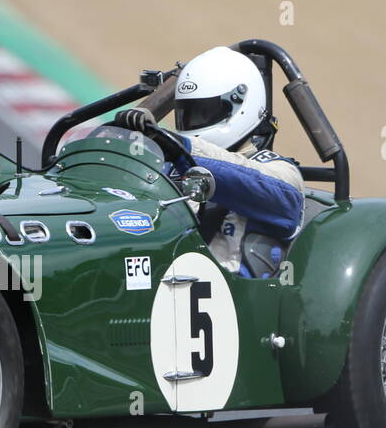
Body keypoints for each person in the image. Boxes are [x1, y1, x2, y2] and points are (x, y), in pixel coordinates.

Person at [114, 46, 305, 275]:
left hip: (235, 301)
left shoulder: (281, 173)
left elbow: (251, 181)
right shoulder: (173, 165)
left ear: (238, 102)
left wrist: (180, 147)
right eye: (187, 113)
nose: (193, 122)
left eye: (203, 112)